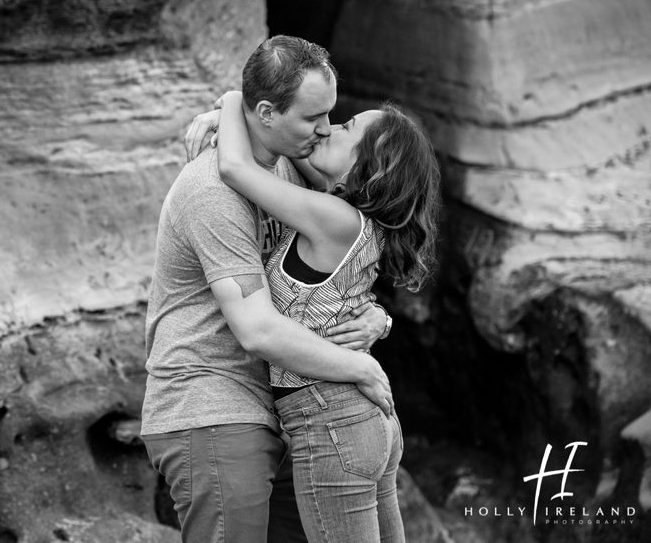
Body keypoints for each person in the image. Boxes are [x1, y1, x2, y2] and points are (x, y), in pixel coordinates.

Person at [140, 36, 395, 543]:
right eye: (312, 118)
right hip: (212, 405)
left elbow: (331, 277)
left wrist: (379, 317)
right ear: (266, 112)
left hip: (286, 407)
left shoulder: (288, 168)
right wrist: (360, 365)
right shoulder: (212, 191)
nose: (324, 130)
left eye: (331, 115)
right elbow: (256, 330)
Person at [194, 84, 441, 542]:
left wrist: (232, 101)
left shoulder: (332, 218)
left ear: (370, 164)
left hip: (331, 423)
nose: (327, 129)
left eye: (346, 127)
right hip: (366, 421)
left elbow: (234, 167)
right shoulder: (350, 217)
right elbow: (296, 146)